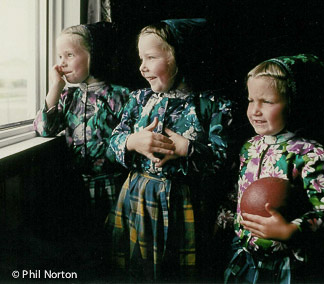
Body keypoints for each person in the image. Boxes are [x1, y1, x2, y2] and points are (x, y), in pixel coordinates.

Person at [105, 18, 233, 282]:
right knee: (138, 269)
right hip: (138, 196)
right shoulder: (139, 100)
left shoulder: (212, 105)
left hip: (184, 204)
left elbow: (224, 161)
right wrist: (132, 142)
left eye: (151, 57)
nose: (142, 67)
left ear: (182, 57)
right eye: (141, 58)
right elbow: (112, 143)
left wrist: (188, 149)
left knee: (180, 272)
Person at [219, 54, 324, 283]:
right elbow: (238, 193)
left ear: (294, 103)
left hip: (287, 265)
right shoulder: (249, 147)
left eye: (267, 102)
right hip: (244, 258)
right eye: (250, 100)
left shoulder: (313, 155)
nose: (255, 110)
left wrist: (291, 230)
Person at [33, 22, 130, 264]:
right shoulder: (68, 96)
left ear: (94, 57)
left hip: (113, 184)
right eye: (59, 56)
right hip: (76, 187)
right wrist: (55, 87)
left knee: (115, 243)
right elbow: (45, 128)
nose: (61, 62)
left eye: (70, 55)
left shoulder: (120, 95)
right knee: (85, 244)